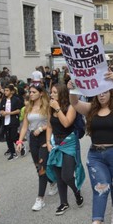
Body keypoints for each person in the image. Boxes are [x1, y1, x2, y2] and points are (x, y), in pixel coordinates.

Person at [69, 71, 113, 224]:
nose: (101, 95)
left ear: (110, 92)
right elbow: (75, 103)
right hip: (96, 156)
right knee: (101, 187)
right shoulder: (91, 109)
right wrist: (73, 89)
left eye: (104, 91)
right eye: (98, 92)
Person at [46, 83, 85, 215]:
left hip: (69, 143)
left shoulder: (71, 106)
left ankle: (76, 191)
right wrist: (48, 142)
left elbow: (67, 122)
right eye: (51, 92)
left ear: (62, 93)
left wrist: (57, 109)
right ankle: (64, 203)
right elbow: (49, 126)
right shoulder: (50, 107)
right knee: (58, 175)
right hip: (55, 142)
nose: (52, 95)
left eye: (55, 92)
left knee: (67, 175)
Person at [15, 84, 51, 211]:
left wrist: (41, 128)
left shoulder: (47, 106)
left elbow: (52, 123)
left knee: (42, 167)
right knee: (38, 166)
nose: (30, 94)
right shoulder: (28, 107)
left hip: (44, 137)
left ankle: (40, 199)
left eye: (34, 92)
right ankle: (52, 182)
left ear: (41, 93)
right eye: (30, 92)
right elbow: (25, 126)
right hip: (33, 139)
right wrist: (19, 141)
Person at [0, 84, 23, 160]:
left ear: (12, 91)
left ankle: (20, 144)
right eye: (5, 90)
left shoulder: (16, 99)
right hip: (5, 121)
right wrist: (1, 112)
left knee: (13, 136)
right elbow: (0, 109)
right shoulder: (3, 100)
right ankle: (13, 153)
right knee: (8, 138)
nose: (5, 92)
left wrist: (8, 113)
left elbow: (18, 110)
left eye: (7, 90)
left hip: (13, 120)